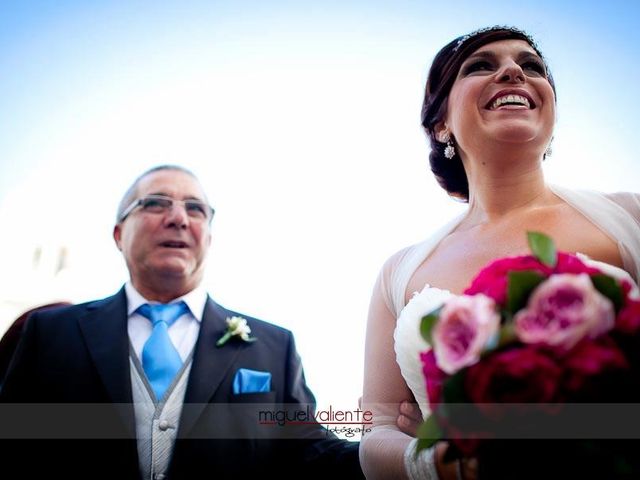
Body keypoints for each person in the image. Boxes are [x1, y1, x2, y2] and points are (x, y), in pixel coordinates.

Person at [359, 26, 640, 480]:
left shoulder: (630, 217)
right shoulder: (401, 272)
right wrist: (436, 460)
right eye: (481, 66)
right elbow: (376, 431)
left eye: (532, 67)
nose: (513, 71)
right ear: (440, 123)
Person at [0, 165, 364, 479]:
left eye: (196, 208)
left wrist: (400, 453)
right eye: (155, 203)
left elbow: (311, 453)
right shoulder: (49, 333)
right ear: (118, 234)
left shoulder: (274, 346)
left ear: (209, 235)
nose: (178, 217)